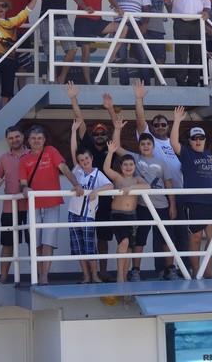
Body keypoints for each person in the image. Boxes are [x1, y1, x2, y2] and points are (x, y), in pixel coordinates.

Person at [170, 106, 212, 278]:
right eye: (194, 138)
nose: (198, 140)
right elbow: (174, 144)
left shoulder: (210, 156)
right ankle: (196, 271)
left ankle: (207, 269)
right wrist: (177, 121)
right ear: (190, 141)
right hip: (193, 202)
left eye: (201, 138)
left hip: (209, 203)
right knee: (195, 238)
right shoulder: (186, 153)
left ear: (205, 140)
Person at [110, 116, 177, 281]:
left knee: (166, 238)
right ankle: (136, 270)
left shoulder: (162, 162)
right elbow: (116, 147)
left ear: (153, 146)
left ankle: (170, 269)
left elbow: (168, 183)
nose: (146, 146)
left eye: (148, 143)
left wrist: (172, 205)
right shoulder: (134, 159)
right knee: (139, 240)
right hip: (142, 206)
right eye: (143, 144)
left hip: (161, 205)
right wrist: (117, 129)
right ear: (139, 146)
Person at [66, 83, 119, 280]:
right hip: (84, 202)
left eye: (102, 133)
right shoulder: (86, 147)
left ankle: (101, 272)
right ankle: (88, 275)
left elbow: (117, 128)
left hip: (103, 198)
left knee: (102, 237)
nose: (99, 135)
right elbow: (79, 121)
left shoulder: (111, 147)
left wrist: (110, 109)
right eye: (96, 133)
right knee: (84, 240)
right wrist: (73, 98)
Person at [133, 79, 185, 275]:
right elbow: (140, 121)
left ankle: (179, 269)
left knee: (175, 235)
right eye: (156, 125)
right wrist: (139, 100)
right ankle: (160, 271)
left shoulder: (173, 143)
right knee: (152, 236)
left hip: (177, 195)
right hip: (157, 197)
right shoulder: (150, 141)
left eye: (164, 124)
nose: (160, 126)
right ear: (152, 128)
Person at [19, 125, 83, 284]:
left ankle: (44, 276)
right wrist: (25, 188)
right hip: (33, 205)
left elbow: (64, 169)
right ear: (28, 141)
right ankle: (37, 274)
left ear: (44, 140)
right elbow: (23, 183)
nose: (36, 141)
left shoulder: (51, 151)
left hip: (52, 203)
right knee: (35, 242)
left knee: (48, 241)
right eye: (33, 138)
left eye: (39, 138)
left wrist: (76, 184)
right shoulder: (24, 159)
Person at [69, 119, 113, 283]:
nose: (84, 162)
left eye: (86, 159)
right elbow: (73, 150)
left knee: (90, 247)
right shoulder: (77, 171)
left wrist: (96, 191)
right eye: (81, 160)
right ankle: (86, 276)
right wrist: (73, 132)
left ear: (91, 158)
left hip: (88, 215)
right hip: (73, 213)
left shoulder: (97, 173)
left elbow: (110, 185)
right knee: (78, 247)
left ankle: (94, 275)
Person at [104, 125, 149, 283]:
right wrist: (110, 152)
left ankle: (124, 275)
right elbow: (106, 169)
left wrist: (131, 188)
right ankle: (120, 276)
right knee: (123, 242)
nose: (128, 167)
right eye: (125, 165)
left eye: (131, 164)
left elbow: (147, 187)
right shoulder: (118, 178)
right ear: (121, 167)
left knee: (129, 247)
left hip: (133, 216)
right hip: (118, 215)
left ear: (135, 166)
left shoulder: (137, 179)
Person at [0, 126, 29, 284]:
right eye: (11, 138)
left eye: (17, 136)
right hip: (9, 208)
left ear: (23, 137)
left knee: (34, 243)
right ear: (7, 140)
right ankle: (3, 277)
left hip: (31, 207)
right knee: (7, 244)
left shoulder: (32, 154)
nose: (14, 140)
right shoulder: (3, 158)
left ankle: (39, 277)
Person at [163, 0, 211, 87]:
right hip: (181, 24)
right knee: (181, 54)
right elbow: (166, 0)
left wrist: (206, 12)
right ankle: (181, 82)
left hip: (197, 24)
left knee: (196, 53)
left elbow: (207, 5)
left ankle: (193, 82)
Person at [0, 0, 37, 89]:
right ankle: (7, 95)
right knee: (7, 65)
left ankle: (21, 94)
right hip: (8, 34)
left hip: (24, 35)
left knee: (23, 66)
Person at [142, 0, 170, 85]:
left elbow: (170, 2)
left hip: (158, 30)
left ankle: (159, 88)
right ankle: (144, 89)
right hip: (142, 29)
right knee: (143, 60)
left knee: (160, 60)